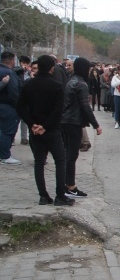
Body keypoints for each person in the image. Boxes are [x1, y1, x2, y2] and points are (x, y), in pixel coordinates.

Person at [16, 55, 74, 206]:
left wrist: (33, 124)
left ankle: (43, 195)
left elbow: (20, 107)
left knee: (39, 162)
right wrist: (45, 126)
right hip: (52, 129)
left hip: (35, 130)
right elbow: (58, 110)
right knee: (60, 160)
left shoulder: (28, 85)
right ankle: (60, 195)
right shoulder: (56, 86)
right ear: (51, 68)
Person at [61, 58, 102, 198]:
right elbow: (85, 106)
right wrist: (96, 124)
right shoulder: (81, 84)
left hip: (64, 121)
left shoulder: (70, 80)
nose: (90, 71)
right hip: (74, 122)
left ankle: (65, 184)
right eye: (88, 69)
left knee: (67, 154)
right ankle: (70, 186)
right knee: (72, 155)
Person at [0, 51, 21, 165]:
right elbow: (14, 94)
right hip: (8, 108)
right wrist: (19, 106)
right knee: (7, 132)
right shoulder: (9, 73)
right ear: (12, 60)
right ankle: (5, 155)